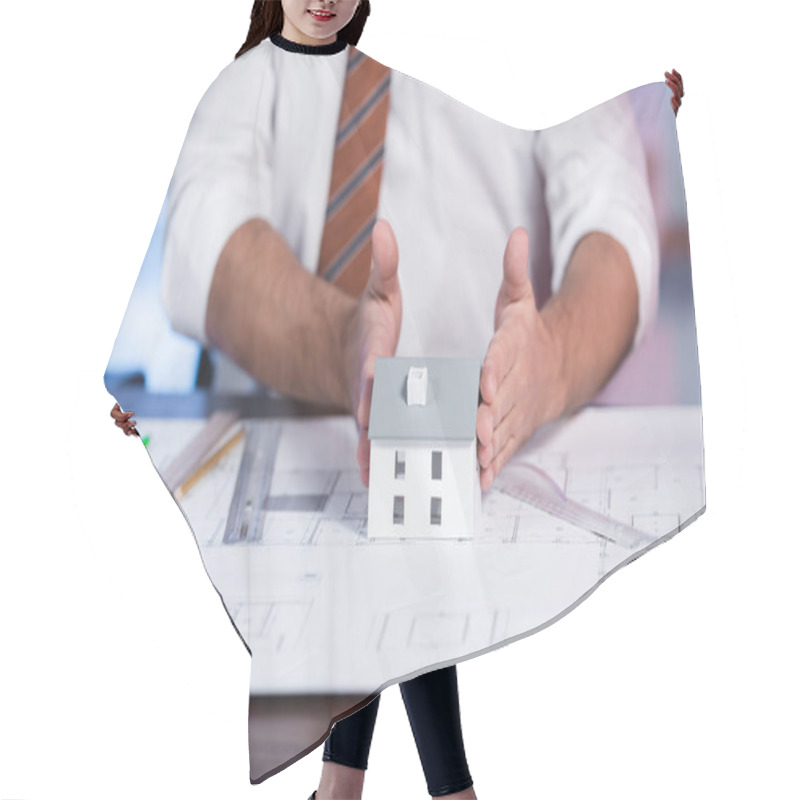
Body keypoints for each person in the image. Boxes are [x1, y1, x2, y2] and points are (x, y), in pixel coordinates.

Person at [110, 2, 686, 796]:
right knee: (391, 583)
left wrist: (640, 112)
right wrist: (333, 345)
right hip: (308, 413)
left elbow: (602, 185)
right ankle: (432, 791)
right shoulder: (242, 90)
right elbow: (205, 236)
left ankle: (351, 788)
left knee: (403, 579)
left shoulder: (416, 80)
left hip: (449, 384)